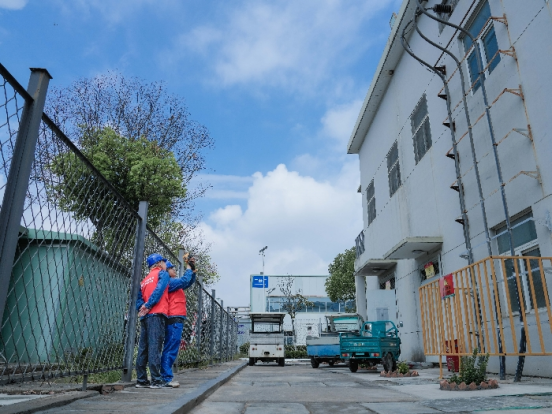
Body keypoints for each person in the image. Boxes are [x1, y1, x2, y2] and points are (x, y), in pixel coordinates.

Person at [160, 255, 197, 387]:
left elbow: (188, 282)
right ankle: (166, 378)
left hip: (177, 318)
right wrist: (188, 269)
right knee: (170, 347)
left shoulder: (174, 283)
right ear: (166, 271)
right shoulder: (169, 282)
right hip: (173, 318)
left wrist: (192, 270)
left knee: (172, 347)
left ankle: (165, 376)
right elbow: (184, 280)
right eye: (171, 268)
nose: (174, 270)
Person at [135, 253, 170, 389]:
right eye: (164, 262)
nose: (165, 265)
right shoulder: (162, 274)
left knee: (143, 348)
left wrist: (142, 307)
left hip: (145, 316)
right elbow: (159, 290)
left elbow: (138, 298)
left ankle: (141, 379)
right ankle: (156, 379)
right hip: (156, 314)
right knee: (155, 347)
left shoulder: (144, 280)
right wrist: (149, 305)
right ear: (159, 263)